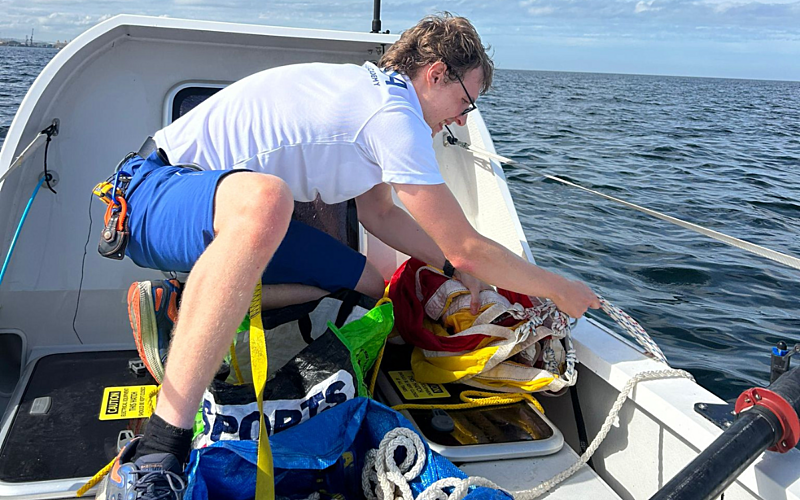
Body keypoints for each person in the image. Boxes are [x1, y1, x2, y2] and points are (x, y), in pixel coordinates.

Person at [98, 12, 600, 500]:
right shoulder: (392, 112)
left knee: (366, 281)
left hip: (213, 216)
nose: (462, 119)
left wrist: (450, 270)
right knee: (269, 201)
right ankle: (161, 450)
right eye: (465, 101)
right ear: (436, 74)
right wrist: (559, 288)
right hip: (147, 195)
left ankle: (181, 303)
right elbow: (464, 244)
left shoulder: (375, 102)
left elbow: (381, 215)